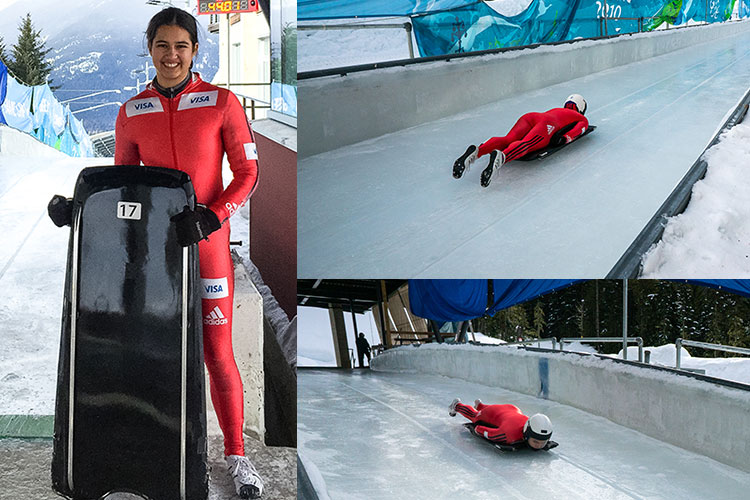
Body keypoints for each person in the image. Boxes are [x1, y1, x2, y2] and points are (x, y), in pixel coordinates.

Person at [56, 7, 259, 499]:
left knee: (216, 355)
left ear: (194, 50)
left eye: (181, 46)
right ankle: (158, 446)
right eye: (162, 45)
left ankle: (236, 455)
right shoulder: (132, 112)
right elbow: (121, 186)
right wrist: (79, 208)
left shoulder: (222, 103)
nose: (172, 55)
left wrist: (214, 214)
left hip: (205, 251)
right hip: (153, 259)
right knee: (149, 349)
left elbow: (248, 174)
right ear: (150, 48)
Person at [453, 94, 590, 187]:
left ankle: (477, 151)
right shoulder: (581, 118)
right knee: (528, 144)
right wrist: (565, 139)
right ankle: (502, 157)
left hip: (531, 116)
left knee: (508, 138)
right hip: (548, 124)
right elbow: (579, 130)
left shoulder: (557, 109)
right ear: (581, 107)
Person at [449, 398, 553, 450]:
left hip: (512, 409)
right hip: (493, 413)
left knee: (493, 411)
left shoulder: (537, 426)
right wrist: (476, 428)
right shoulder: (508, 435)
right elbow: (487, 432)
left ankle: (480, 405)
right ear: (527, 434)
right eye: (535, 441)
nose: (539, 446)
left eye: (542, 442)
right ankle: (457, 405)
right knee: (475, 416)